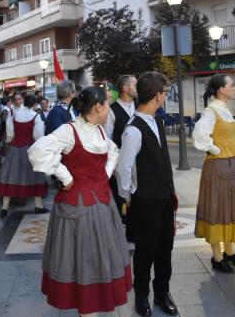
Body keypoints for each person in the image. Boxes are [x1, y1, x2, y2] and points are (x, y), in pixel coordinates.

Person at [27, 86, 131, 317]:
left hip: (102, 206)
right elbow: (37, 151)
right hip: (78, 208)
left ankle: (94, 305)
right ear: (98, 107)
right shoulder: (69, 130)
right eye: (107, 104)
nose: (109, 110)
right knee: (81, 260)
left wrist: (102, 175)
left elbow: (113, 152)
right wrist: (65, 175)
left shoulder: (99, 131)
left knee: (100, 259)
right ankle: (87, 309)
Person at [116, 71, 178, 317]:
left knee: (165, 248)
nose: (165, 95)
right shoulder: (133, 129)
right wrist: (129, 196)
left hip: (164, 197)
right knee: (145, 251)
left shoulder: (157, 120)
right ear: (157, 95)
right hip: (146, 200)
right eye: (164, 91)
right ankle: (142, 296)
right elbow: (124, 168)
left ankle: (162, 292)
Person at [192, 74, 235, 274]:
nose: (234, 88)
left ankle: (229, 251)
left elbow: (228, 134)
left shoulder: (223, 109)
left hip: (233, 163)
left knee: (232, 205)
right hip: (218, 165)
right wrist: (216, 149)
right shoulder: (211, 111)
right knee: (218, 206)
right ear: (221, 89)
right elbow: (200, 136)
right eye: (231, 85)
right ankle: (217, 256)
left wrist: (229, 142)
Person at [0, 94, 47, 218]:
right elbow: (38, 137)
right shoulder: (36, 116)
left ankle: (4, 208)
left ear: (24, 101)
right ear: (34, 104)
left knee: (11, 176)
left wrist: (10, 143)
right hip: (30, 150)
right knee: (34, 176)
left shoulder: (14, 115)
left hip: (15, 150)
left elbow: (10, 136)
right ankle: (38, 206)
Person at [105, 75, 137, 219]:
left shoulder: (138, 106)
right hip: (120, 162)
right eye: (135, 85)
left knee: (136, 195)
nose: (138, 88)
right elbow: (107, 138)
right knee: (120, 196)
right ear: (125, 88)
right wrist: (111, 163)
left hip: (138, 161)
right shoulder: (112, 110)